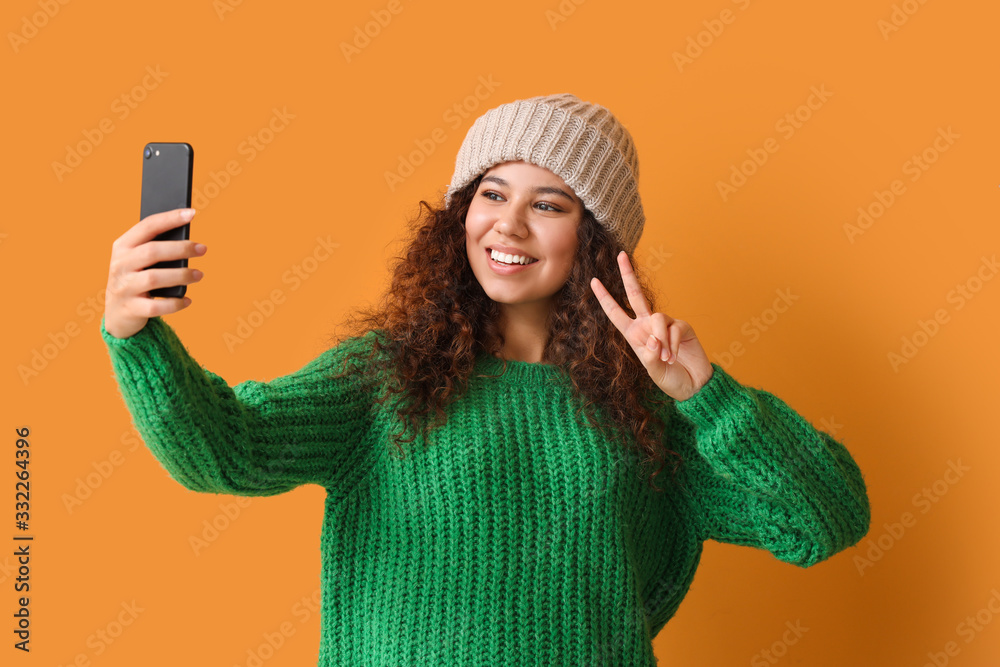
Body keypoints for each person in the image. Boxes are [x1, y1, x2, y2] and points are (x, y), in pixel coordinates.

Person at [101, 93, 871, 665]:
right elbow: (223, 449)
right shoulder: (382, 377)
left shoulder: (647, 413)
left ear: (596, 240)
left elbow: (826, 519)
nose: (508, 224)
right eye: (491, 194)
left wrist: (709, 395)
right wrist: (135, 334)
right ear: (460, 216)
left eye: (548, 204)